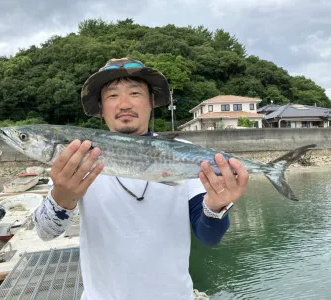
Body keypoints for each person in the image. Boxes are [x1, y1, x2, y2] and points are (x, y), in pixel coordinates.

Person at [33, 57, 249, 300]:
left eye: (135, 93)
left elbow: (209, 236)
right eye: (112, 96)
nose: (124, 104)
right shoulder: (77, 156)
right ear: (101, 109)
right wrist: (62, 198)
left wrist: (217, 206)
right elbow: (45, 233)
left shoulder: (185, 153)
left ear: (151, 102)